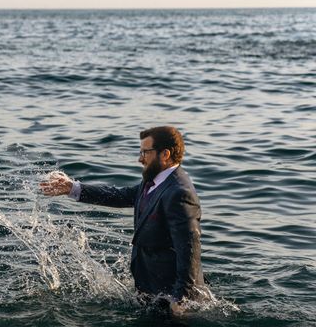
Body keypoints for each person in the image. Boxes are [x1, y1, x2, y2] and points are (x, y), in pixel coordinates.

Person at [40, 126, 205, 315]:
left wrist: (181, 300)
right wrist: (73, 188)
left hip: (172, 303)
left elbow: (189, 249)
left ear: (165, 154)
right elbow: (121, 195)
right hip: (151, 290)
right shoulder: (154, 180)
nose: (140, 158)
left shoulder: (179, 192)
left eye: (145, 152)